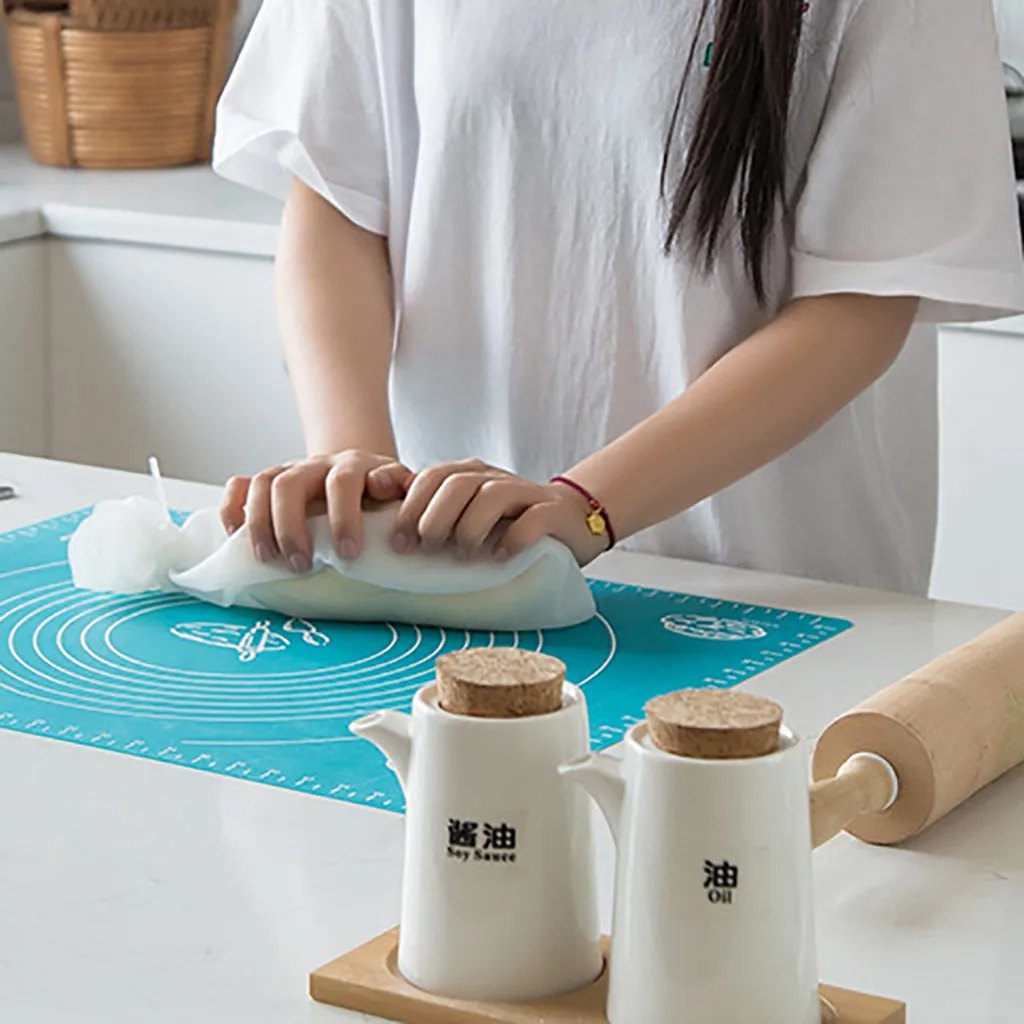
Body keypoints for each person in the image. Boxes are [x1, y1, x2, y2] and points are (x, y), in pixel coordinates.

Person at [211, 0, 1024, 595]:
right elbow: (335, 193)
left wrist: (587, 505)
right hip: (450, 575)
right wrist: (357, 463)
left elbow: (862, 304)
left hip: (768, 595)